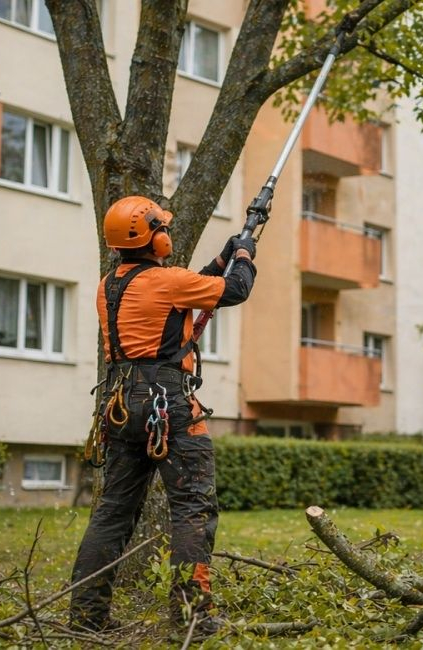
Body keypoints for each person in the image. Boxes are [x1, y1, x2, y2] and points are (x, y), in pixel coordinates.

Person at [69, 196, 256, 635]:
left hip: (120, 403)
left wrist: (224, 254)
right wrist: (244, 255)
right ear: (154, 237)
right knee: (193, 506)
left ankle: (86, 616)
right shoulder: (166, 280)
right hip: (166, 402)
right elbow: (234, 290)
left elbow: (191, 286)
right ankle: (192, 618)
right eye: (162, 228)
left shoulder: (109, 285)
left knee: (113, 511)